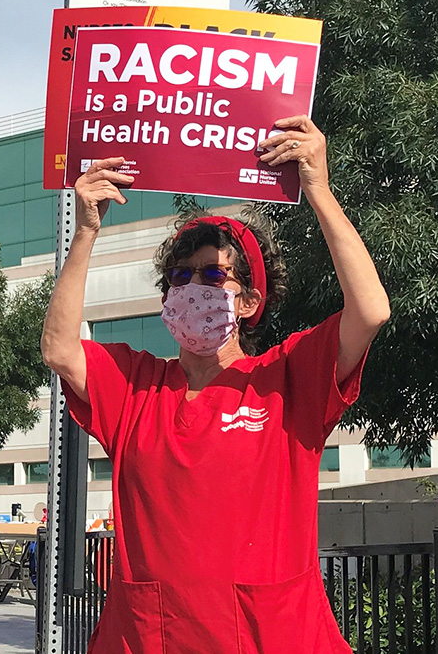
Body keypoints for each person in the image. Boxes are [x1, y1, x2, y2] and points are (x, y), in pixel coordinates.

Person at [40, 116, 390, 653]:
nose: (192, 286)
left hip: (270, 638)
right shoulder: (138, 386)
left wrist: (318, 189)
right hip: (149, 638)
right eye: (179, 277)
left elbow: (369, 311)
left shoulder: (286, 378)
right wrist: (87, 230)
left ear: (249, 302)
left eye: (212, 274)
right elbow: (59, 350)